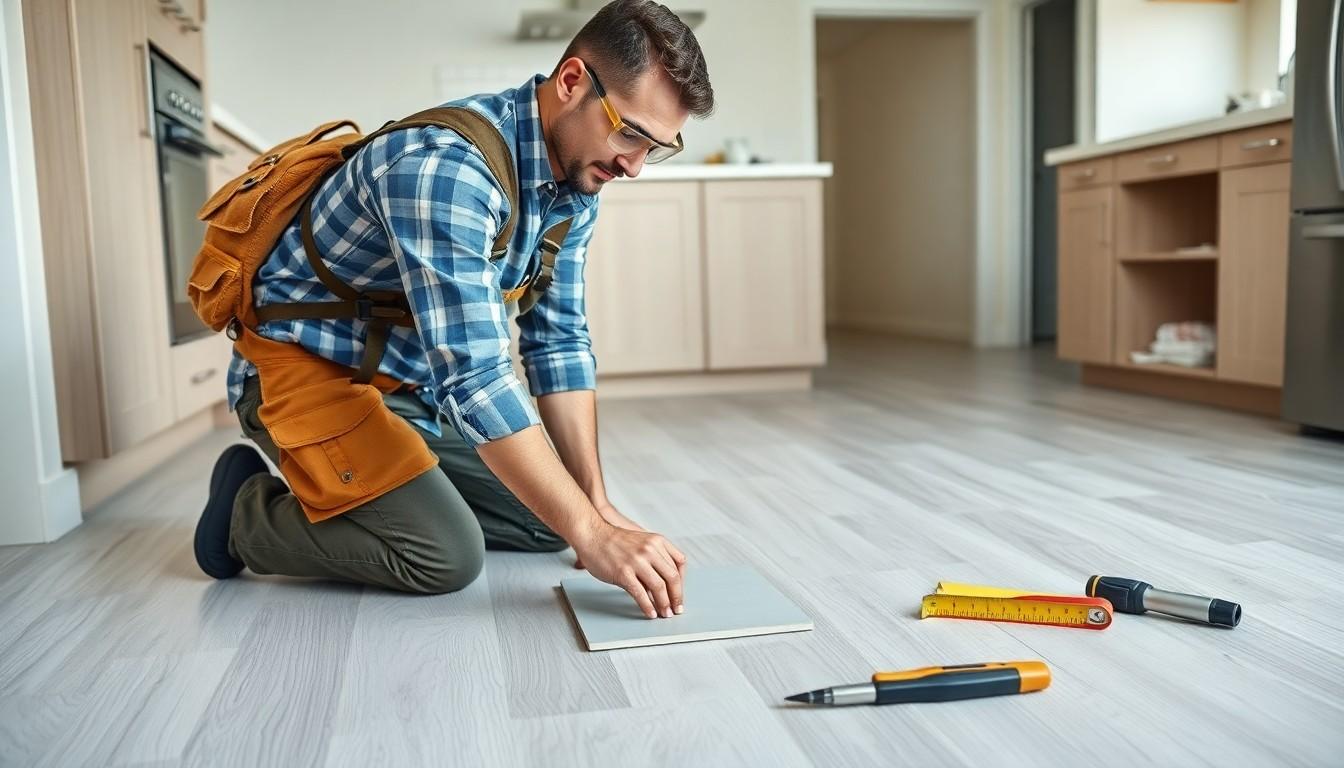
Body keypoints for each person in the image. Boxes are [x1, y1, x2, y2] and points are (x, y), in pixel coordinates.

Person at [192, 0, 714, 620]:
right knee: (444, 555)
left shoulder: (577, 180)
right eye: (629, 132)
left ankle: (392, 480)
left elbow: (559, 341)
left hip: (407, 387)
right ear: (572, 81)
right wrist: (595, 537)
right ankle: (242, 517)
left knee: (556, 518)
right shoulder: (446, 168)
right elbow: (475, 377)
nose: (634, 166)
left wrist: (594, 509)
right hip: (303, 379)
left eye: (657, 148)